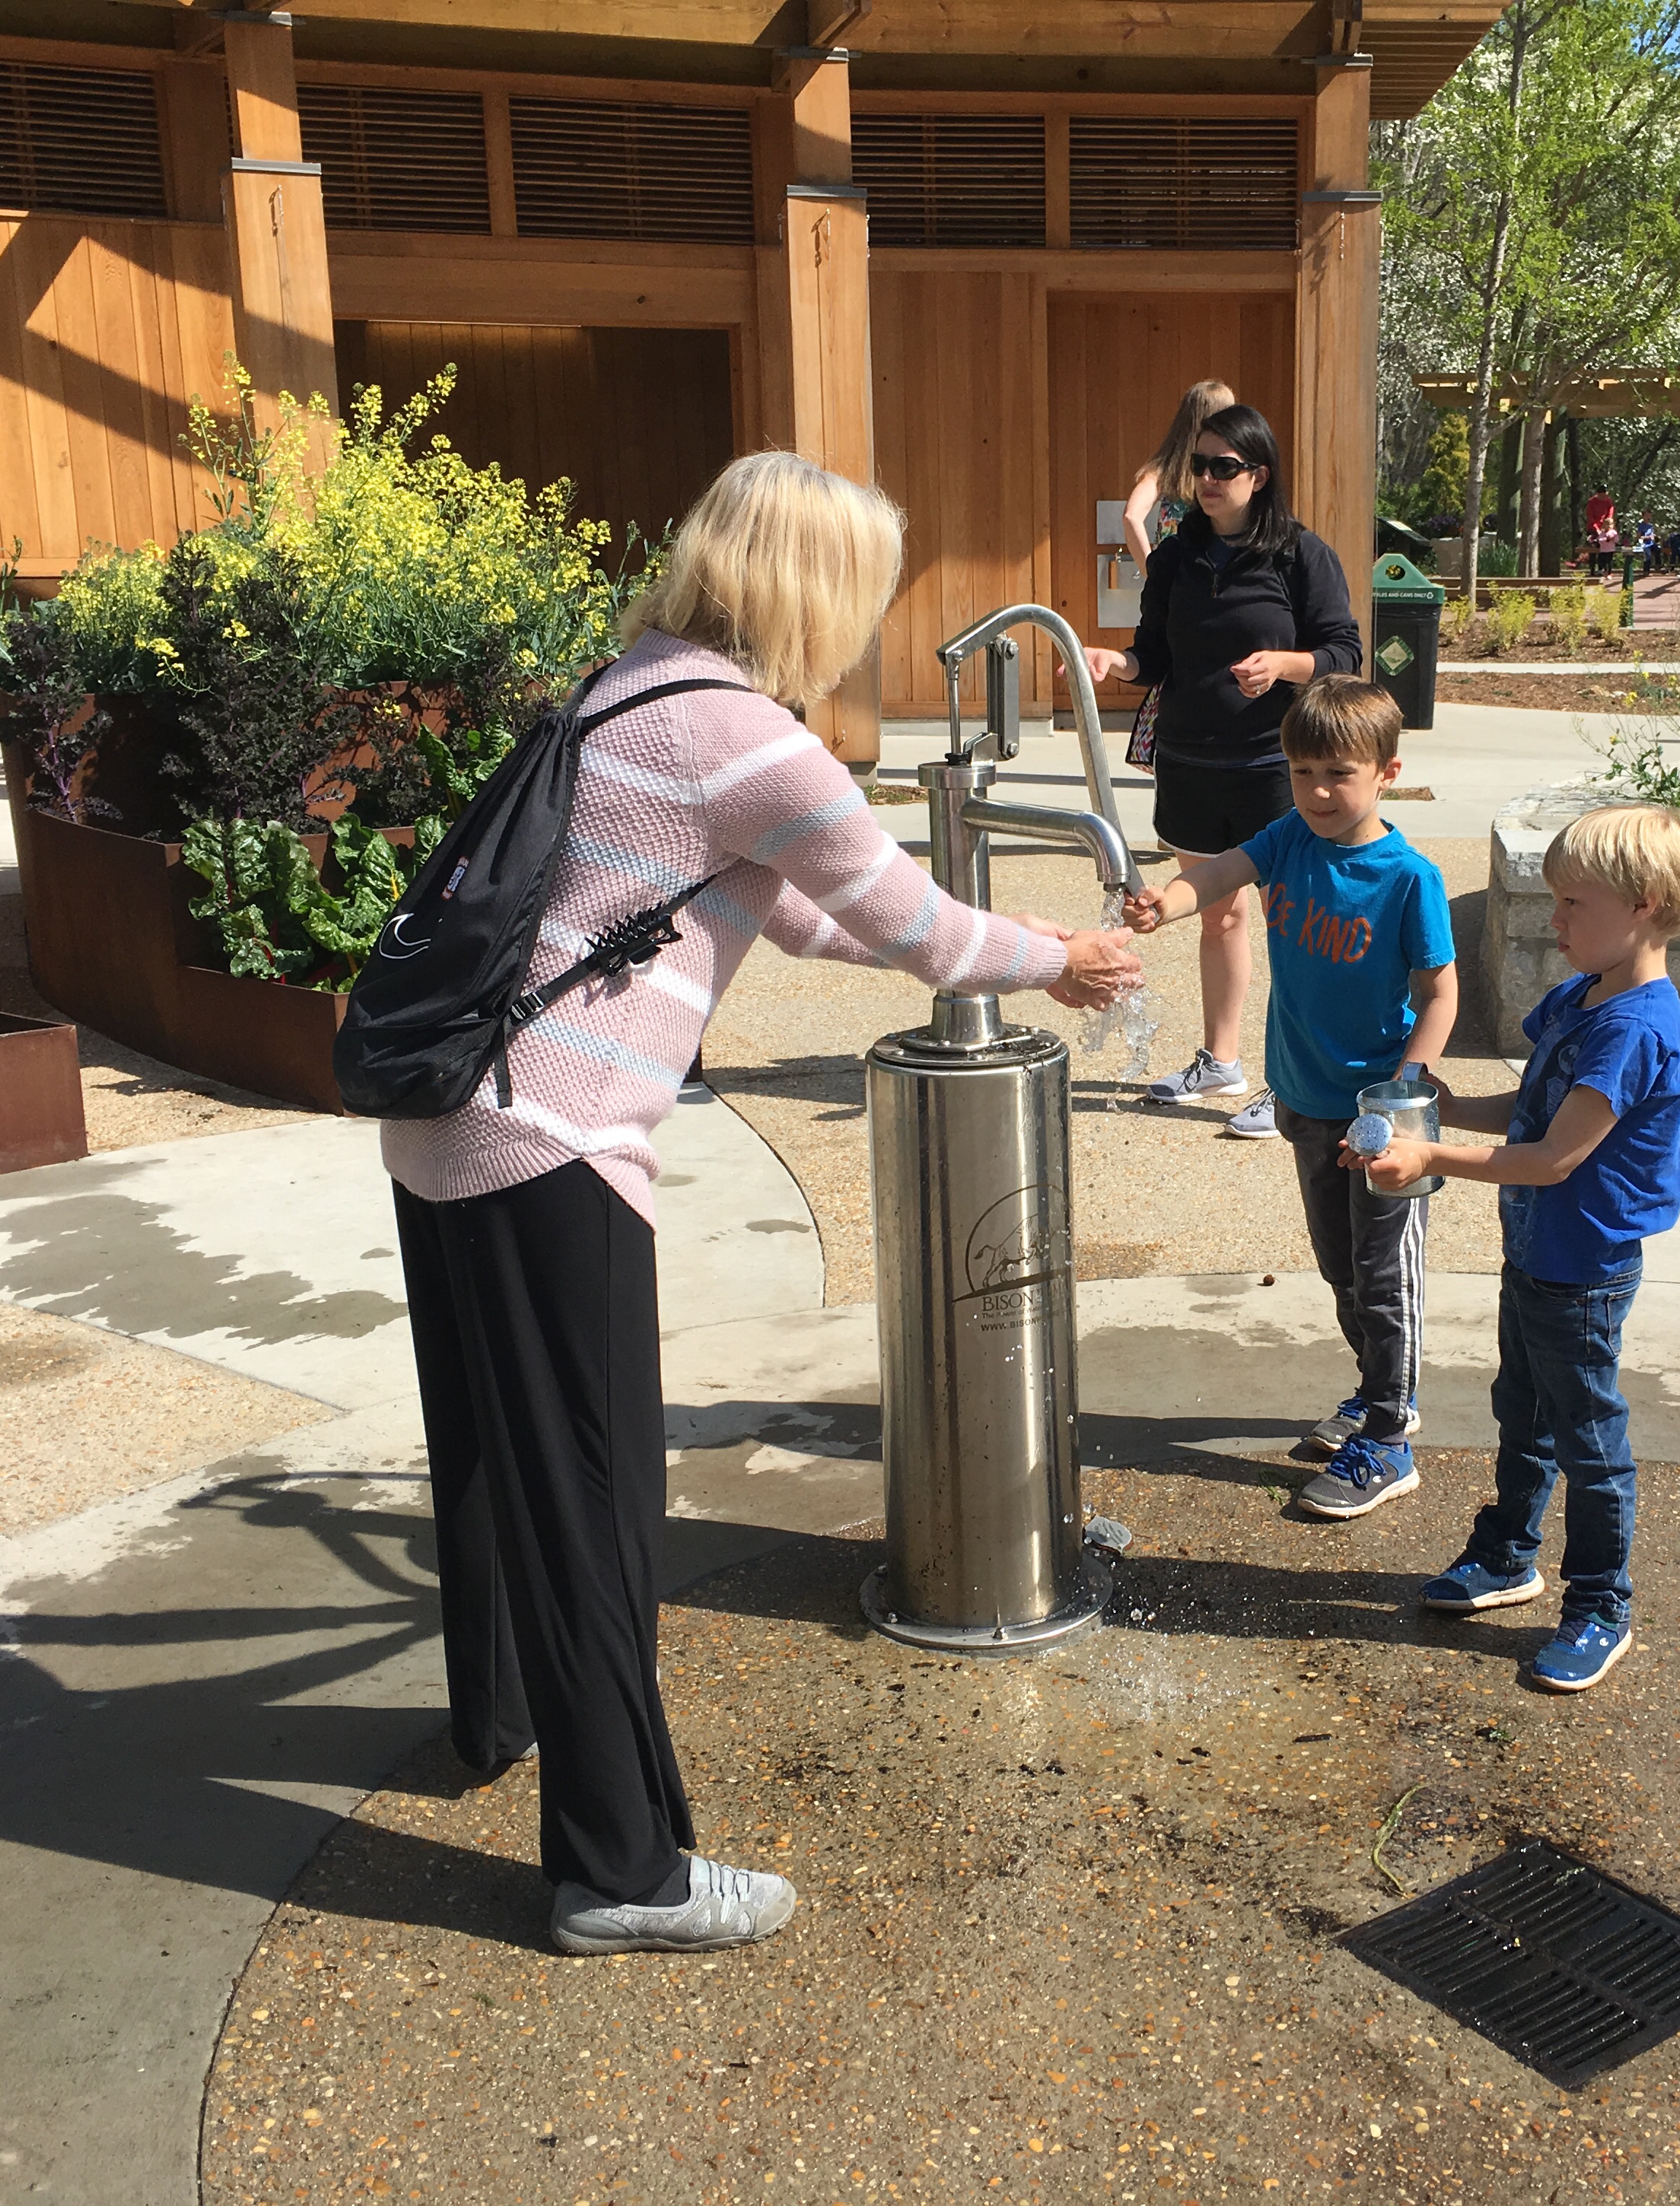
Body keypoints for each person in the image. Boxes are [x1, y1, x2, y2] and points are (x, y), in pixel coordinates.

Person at [384, 452, 1140, 1959]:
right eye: (863, 586)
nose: (867, 618)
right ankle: (622, 1872)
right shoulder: (751, 739)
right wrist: (1056, 953)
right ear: (811, 585)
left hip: (447, 1124)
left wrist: (983, 943)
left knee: (496, 1464)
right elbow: (902, 917)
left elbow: (796, 912)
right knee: (601, 1508)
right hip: (555, 1147)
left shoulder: (636, 688)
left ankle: (499, 1723)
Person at [1352, 802, 1680, 1695]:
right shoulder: (1585, 998)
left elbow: (1553, 1158)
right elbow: (1530, 1114)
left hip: (1584, 1270)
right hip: (1538, 1257)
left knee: (1589, 1440)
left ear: (1647, 906)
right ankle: (1508, 1555)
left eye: (1572, 904)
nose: (1554, 921)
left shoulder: (1634, 1028)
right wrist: (1433, 1109)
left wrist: (1431, 1156)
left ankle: (1599, 1603)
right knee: (1525, 1413)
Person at [1123, 673, 1455, 1514]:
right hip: (1304, 1101)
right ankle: (1374, 1390)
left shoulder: (1407, 877)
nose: (1317, 791)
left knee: (1387, 1280)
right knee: (1341, 1270)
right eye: (1303, 771)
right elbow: (1223, 872)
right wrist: (1167, 900)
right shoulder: (1289, 840)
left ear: (1387, 771)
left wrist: (1407, 1088)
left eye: (1338, 774)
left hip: (1383, 1122)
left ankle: (1390, 1434)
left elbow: (1442, 989)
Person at [1084, 403, 1365, 1138]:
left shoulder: (1300, 555)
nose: (1206, 480)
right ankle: (1221, 1061)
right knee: (1219, 914)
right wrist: (1122, 662)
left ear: (1258, 474)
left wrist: (1284, 666)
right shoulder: (1178, 556)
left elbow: (1343, 652)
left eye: (1223, 467)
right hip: (1191, 763)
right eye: (1199, 467)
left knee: (1293, 925)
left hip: (1276, 769)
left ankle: (1293, 1084)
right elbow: (1156, 652)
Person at [1122, 379, 1237, 575]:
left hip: (1178, 582)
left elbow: (1131, 516)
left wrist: (1153, 575)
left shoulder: (1165, 469)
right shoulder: (1229, 470)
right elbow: (1131, 517)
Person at [1582, 489, 1619, 577]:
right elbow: (1590, 517)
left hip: (1605, 529)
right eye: (1602, 495)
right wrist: (1597, 529)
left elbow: (1610, 514)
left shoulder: (1608, 501)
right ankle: (1592, 569)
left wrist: (1606, 527)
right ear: (1598, 494)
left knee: (1605, 550)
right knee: (1593, 549)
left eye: (1605, 494)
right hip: (1593, 528)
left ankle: (1602, 569)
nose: (1604, 497)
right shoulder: (1591, 502)